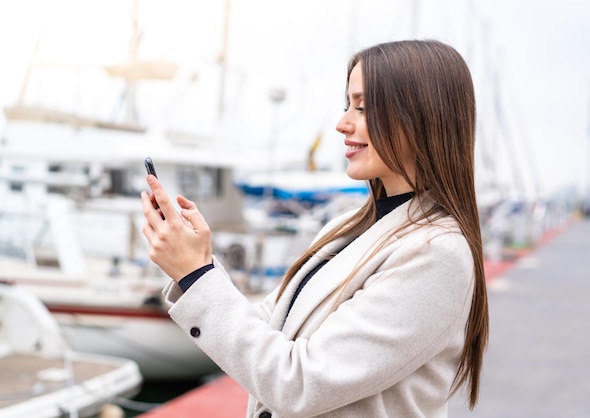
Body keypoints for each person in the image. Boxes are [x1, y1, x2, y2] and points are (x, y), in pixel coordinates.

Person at [141, 39, 489, 417]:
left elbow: (300, 385)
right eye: (347, 105)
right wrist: (199, 262)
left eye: (363, 107)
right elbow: (268, 327)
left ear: (421, 116)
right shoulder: (348, 226)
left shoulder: (436, 253)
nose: (342, 123)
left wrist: (196, 275)